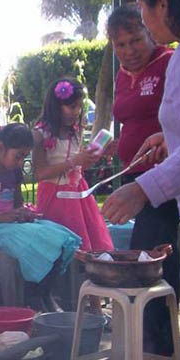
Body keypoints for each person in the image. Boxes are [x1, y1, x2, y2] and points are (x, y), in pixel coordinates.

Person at [102, 0, 180, 360]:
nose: (139, 38)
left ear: (162, 4)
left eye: (143, 14)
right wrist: (163, 142)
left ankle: (160, 355)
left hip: (165, 192)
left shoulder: (175, 57)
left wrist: (143, 187)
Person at [108, 3, 179, 355]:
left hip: (167, 179)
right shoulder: (122, 74)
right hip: (135, 175)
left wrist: (167, 140)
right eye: (120, 45)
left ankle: (158, 348)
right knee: (154, 255)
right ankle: (158, 344)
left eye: (135, 40)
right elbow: (131, 121)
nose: (129, 51)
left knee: (151, 258)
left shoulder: (170, 62)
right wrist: (118, 147)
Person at [0, 123, 82, 312]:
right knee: (40, 240)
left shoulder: (14, 172)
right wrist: (0, 218)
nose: (20, 163)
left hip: (11, 225)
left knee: (60, 236)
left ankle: (43, 293)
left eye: (23, 157)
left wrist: (24, 213)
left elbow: (17, 204)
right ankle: (33, 297)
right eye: (18, 156)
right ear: (1, 148)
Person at [33, 77, 113, 253]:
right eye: (71, 106)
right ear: (56, 106)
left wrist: (86, 160)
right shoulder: (41, 134)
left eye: (78, 106)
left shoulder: (75, 130)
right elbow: (39, 174)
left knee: (90, 243)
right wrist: (73, 162)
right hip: (54, 195)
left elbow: (76, 165)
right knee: (62, 245)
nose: (76, 111)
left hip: (78, 193)